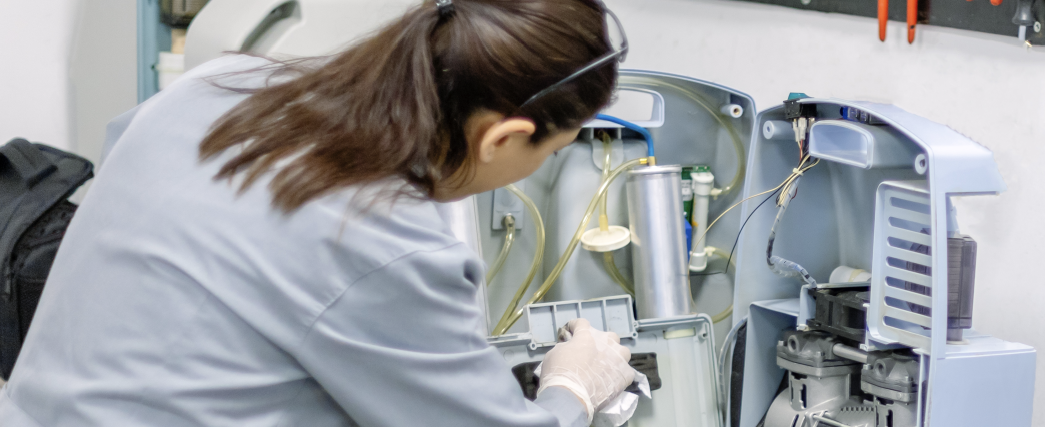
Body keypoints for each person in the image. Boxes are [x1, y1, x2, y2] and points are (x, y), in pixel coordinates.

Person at [0, 0, 640, 425]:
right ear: (500, 138)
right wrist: (574, 387)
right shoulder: (382, 239)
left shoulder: (215, 87)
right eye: (552, 152)